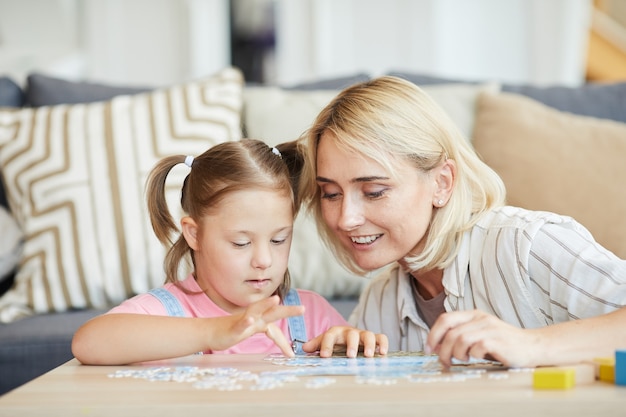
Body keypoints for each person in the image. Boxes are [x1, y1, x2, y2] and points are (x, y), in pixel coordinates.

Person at [297, 75, 626, 368]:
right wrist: (339, 361)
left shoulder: (526, 244)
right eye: (330, 194)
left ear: (441, 183)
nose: (346, 219)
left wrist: (532, 345)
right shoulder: (379, 302)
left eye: (373, 191)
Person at [72, 139, 388, 365]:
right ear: (194, 234)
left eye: (279, 240)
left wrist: (353, 345)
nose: (263, 260)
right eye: (241, 243)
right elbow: (88, 342)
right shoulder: (169, 311)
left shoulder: (308, 313)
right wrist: (214, 331)